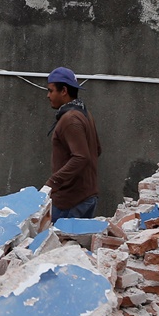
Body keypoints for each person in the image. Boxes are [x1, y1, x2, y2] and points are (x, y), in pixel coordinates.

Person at [43, 66, 101, 221]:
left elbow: (81, 157)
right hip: (86, 197)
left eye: (51, 90)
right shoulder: (84, 113)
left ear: (64, 91)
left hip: (71, 202)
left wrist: (52, 183)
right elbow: (97, 150)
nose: (48, 95)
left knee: (59, 244)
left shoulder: (70, 120)